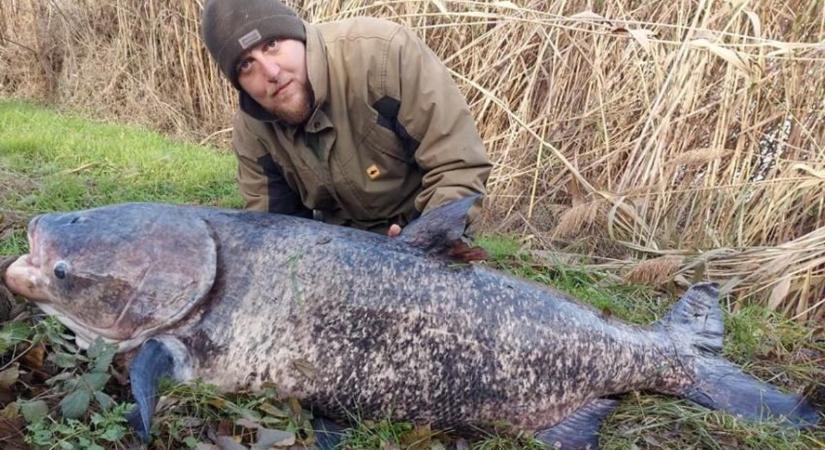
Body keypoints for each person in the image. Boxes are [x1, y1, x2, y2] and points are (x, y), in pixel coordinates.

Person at [201, 0, 491, 236]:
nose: (271, 73)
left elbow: (457, 166)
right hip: (340, 244)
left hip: (422, 225)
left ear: (297, 34)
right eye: (247, 65)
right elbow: (274, 228)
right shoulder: (253, 130)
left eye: (272, 44)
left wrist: (425, 239)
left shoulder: (383, 55)